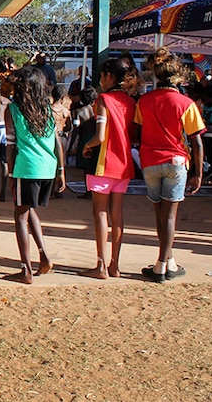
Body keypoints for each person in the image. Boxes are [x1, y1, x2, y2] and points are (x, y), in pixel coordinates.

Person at [136, 48, 205, 283]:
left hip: (150, 161)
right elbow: (196, 140)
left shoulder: (144, 101)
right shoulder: (186, 103)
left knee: (159, 214)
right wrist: (198, 172)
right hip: (176, 161)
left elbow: (137, 130)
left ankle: (168, 259)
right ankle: (162, 266)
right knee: (170, 216)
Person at [4, 66, 65, 284]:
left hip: (26, 168)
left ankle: (26, 269)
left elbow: (10, 145)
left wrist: (10, 173)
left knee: (19, 216)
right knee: (28, 210)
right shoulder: (48, 110)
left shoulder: (13, 110)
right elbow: (57, 141)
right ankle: (43, 254)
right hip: (47, 167)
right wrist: (61, 171)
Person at [79, 58, 138, 279]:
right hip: (124, 164)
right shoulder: (130, 102)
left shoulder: (103, 99)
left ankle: (101, 265)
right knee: (117, 213)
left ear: (108, 77)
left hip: (104, 162)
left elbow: (100, 136)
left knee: (100, 213)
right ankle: (115, 264)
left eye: (102, 76)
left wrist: (87, 145)